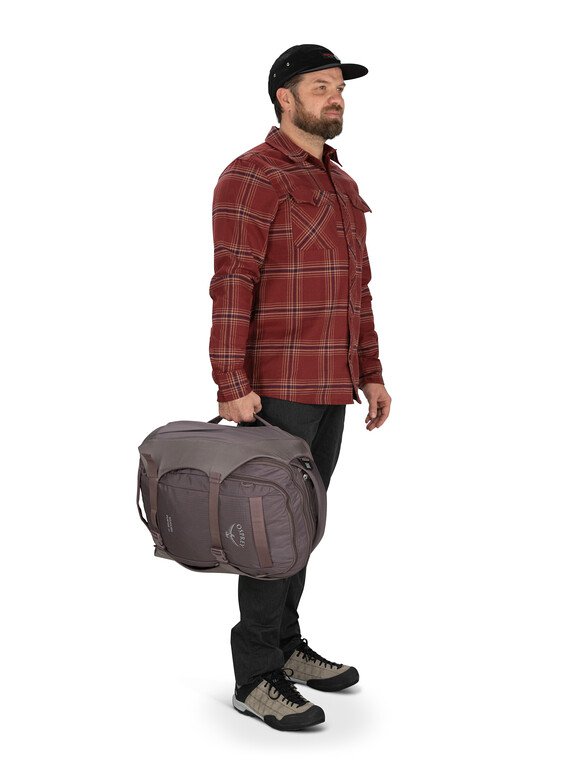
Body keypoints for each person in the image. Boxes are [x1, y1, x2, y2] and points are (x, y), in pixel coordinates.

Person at [208, 44, 392, 731]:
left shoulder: (341, 184)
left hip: (331, 385)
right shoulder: (252, 176)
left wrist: (370, 371)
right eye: (321, 86)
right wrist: (230, 381)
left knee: (302, 526)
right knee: (269, 531)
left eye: (339, 87)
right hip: (275, 390)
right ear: (284, 97)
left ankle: (286, 645)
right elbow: (232, 283)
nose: (335, 97)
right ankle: (256, 676)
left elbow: (357, 290)